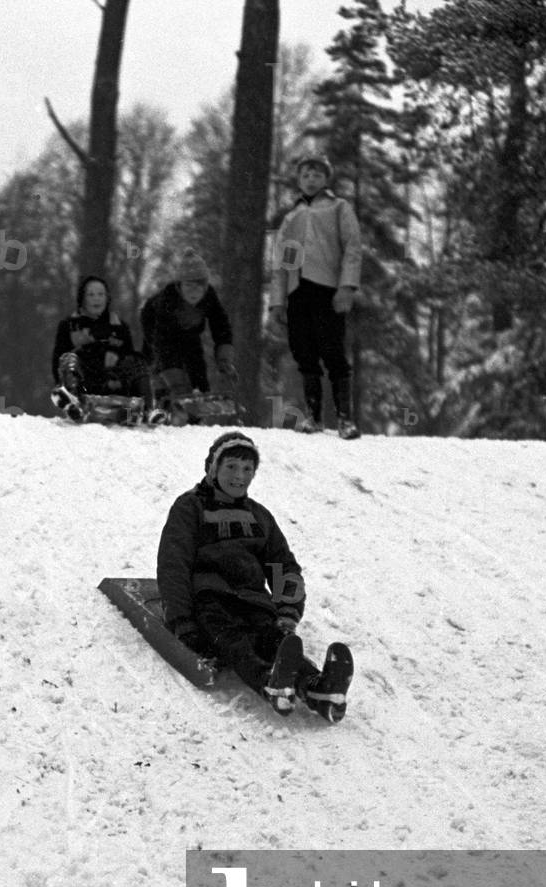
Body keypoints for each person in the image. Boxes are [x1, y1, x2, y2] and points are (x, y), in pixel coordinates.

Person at [156, 431, 353, 722]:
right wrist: (181, 620)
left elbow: (283, 565)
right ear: (213, 468)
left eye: (248, 469)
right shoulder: (190, 507)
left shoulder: (259, 516)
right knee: (235, 643)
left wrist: (287, 610)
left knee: (274, 639)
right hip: (208, 601)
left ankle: (318, 688)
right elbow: (174, 564)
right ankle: (269, 682)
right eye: (231, 467)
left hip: (252, 600)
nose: (240, 475)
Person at [269, 154, 362, 439]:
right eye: (306, 175)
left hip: (327, 289)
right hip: (298, 291)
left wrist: (346, 286)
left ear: (326, 179)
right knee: (304, 352)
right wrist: (277, 302)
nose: (311, 180)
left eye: (317, 175)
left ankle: (345, 418)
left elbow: (352, 247)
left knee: (332, 350)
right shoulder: (291, 217)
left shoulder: (338, 208)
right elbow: (281, 264)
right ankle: (313, 416)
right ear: (299, 180)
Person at [50, 275, 160, 423]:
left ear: (107, 298)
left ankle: (147, 409)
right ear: (82, 298)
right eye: (91, 294)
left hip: (114, 383)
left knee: (137, 361)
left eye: (101, 294)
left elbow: (129, 359)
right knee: (68, 359)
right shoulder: (69, 325)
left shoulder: (119, 326)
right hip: (85, 383)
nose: (97, 299)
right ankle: (72, 402)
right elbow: (58, 358)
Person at [140, 251, 237, 398]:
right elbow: (161, 343)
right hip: (158, 331)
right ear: (179, 287)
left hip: (190, 335)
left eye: (199, 286)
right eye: (189, 286)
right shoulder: (167, 301)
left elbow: (221, 327)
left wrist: (224, 361)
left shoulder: (209, 298)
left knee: (198, 375)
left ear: (205, 287)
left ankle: (197, 407)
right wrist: (172, 376)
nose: (194, 292)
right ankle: (160, 397)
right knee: (171, 376)